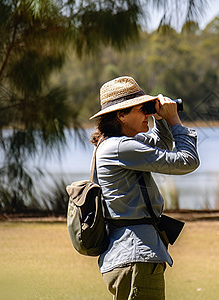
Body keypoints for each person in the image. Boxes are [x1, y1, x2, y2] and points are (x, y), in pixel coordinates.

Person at [89, 76, 200, 300]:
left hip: (128, 255)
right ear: (121, 115)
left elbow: (161, 144)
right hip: (136, 255)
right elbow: (187, 161)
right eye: (142, 109)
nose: (147, 114)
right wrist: (175, 120)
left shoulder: (114, 145)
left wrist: (160, 119)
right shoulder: (121, 148)